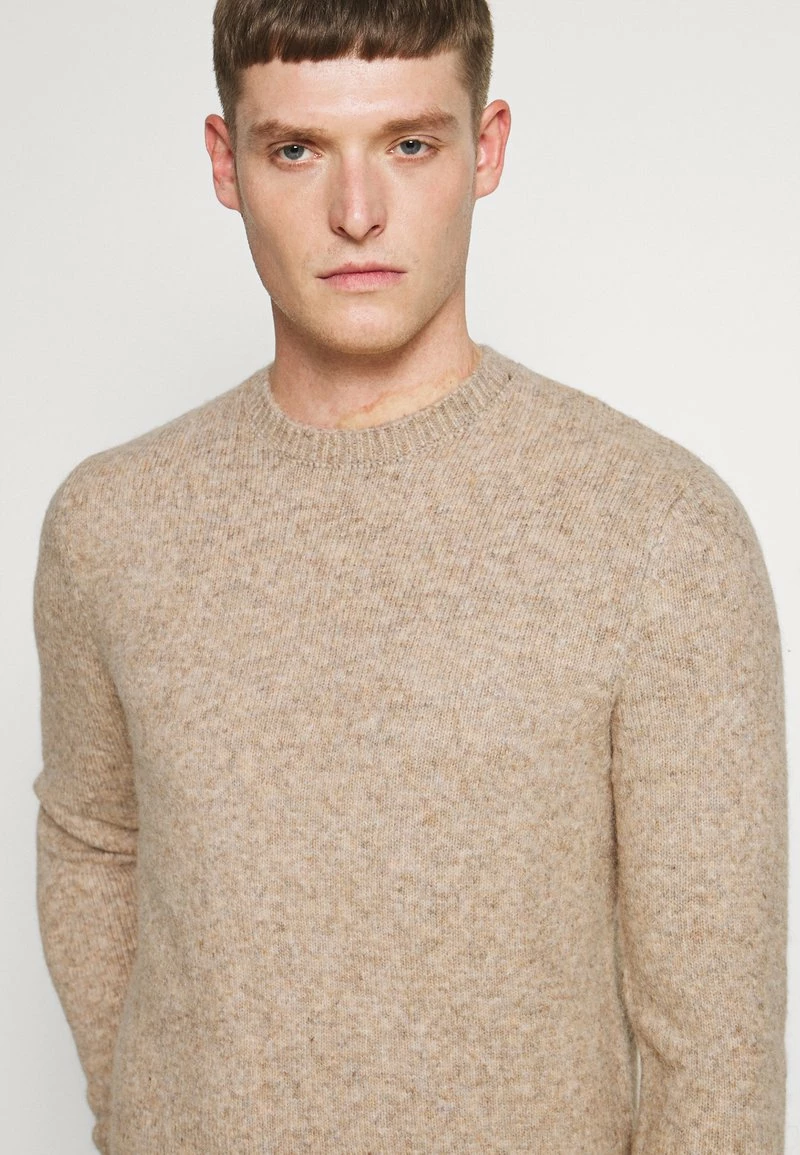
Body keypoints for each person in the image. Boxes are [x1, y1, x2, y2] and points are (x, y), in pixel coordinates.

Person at [32, 0, 788, 1151]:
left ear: (486, 148)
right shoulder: (111, 526)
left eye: (409, 144)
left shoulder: (658, 532)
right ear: (225, 163)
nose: (356, 213)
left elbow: (715, 1049)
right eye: (297, 149)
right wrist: (150, 1115)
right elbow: (93, 842)